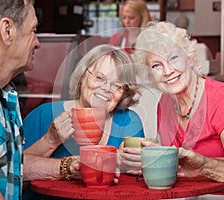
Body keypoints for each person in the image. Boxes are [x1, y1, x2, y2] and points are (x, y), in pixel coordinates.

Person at [121, 21, 224, 197]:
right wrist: (146, 155)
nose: (167, 71)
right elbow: (167, 155)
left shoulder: (222, 97)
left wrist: (203, 166)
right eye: (156, 65)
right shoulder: (165, 102)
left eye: (173, 58)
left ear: (190, 57)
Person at [22, 44, 144, 198]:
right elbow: (11, 175)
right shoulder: (43, 114)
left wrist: (132, 163)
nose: (107, 88)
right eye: (100, 78)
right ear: (82, 76)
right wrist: (50, 140)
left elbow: (137, 186)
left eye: (117, 86)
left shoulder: (128, 122)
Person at [0, 0, 40, 199]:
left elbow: (10, 168)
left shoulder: (3, 90)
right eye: (33, 31)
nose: (38, 42)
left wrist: (68, 167)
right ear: (7, 31)